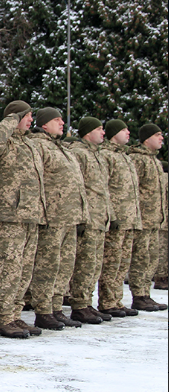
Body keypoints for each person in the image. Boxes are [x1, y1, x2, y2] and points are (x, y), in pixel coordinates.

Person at [0, 101, 47, 339]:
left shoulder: (28, 144)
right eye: (27, 115)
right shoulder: (4, 142)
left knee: (24, 270)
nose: (31, 120)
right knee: (9, 269)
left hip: (31, 215)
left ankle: (14, 315)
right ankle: (3, 318)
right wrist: (12, 118)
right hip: (10, 215)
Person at [26, 108, 88, 331]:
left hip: (68, 216)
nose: (62, 123)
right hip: (52, 216)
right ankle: (43, 310)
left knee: (64, 265)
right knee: (48, 265)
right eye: (56, 120)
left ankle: (56, 307)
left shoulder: (60, 147)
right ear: (44, 124)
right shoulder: (38, 145)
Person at [67, 118, 120, 321]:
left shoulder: (96, 155)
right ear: (88, 132)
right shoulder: (79, 153)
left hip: (100, 218)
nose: (103, 133)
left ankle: (87, 302)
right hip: (88, 217)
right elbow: (75, 186)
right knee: (85, 263)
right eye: (99, 129)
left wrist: (110, 215)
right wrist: (79, 216)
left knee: (94, 264)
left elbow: (104, 190)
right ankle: (79, 304)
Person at [95, 119, 142, 321]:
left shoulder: (125, 157)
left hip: (129, 218)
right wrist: (110, 214)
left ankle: (116, 300)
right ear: (114, 133)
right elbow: (104, 187)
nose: (128, 133)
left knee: (122, 263)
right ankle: (107, 301)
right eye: (124, 130)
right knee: (111, 262)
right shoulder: (106, 155)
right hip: (116, 218)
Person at [128, 123, 169, 311]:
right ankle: (138, 295)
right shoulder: (138, 160)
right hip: (142, 219)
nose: (162, 138)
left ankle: (145, 293)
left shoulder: (154, 161)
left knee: (151, 258)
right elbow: (132, 189)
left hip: (154, 219)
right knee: (141, 258)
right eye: (158, 134)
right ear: (147, 138)